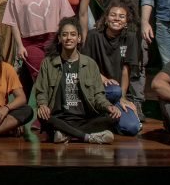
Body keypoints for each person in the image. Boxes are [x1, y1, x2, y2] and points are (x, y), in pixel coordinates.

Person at [33, 16, 121, 144]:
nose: (69, 38)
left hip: (85, 118)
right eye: (65, 35)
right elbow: (41, 91)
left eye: (73, 34)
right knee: (43, 117)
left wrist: (109, 106)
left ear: (79, 38)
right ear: (59, 39)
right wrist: (43, 105)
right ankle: (88, 137)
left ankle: (66, 134)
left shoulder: (90, 64)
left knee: (114, 118)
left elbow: (98, 96)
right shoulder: (48, 63)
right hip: (59, 117)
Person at [92, 0, 147, 119]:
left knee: (137, 64)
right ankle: (113, 101)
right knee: (116, 63)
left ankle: (137, 103)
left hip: (134, 24)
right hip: (113, 23)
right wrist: (111, 13)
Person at [3, 0, 74, 91]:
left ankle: (55, 108)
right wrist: (19, 46)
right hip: (30, 42)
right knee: (40, 75)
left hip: (53, 39)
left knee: (56, 73)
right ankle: (44, 106)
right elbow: (13, 23)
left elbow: (66, 17)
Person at [82, 0, 143, 136]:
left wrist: (122, 97)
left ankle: (108, 119)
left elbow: (126, 70)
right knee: (114, 90)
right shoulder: (93, 35)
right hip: (96, 89)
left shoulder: (131, 37)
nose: (117, 19)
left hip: (116, 93)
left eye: (122, 16)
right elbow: (85, 65)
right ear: (106, 18)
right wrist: (102, 78)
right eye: (113, 15)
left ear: (127, 21)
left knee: (132, 128)